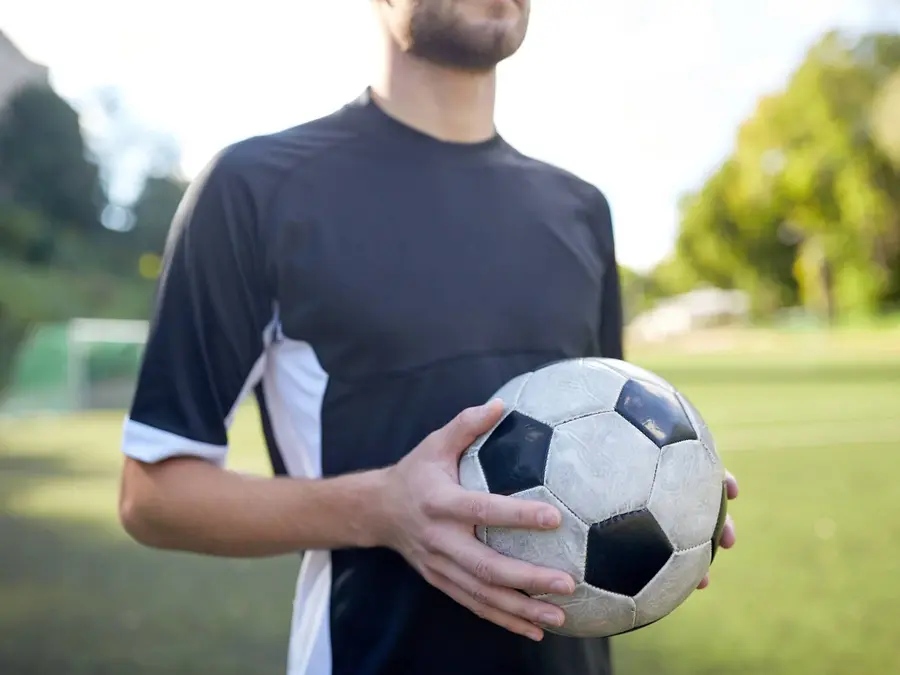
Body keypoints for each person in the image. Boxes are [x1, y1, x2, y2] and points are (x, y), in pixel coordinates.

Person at [117, 1, 739, 674]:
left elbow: (603, 444)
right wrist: (381, 507)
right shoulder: (257, 190)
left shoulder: (581, 210)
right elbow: (153, 494)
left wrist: (676, 491)